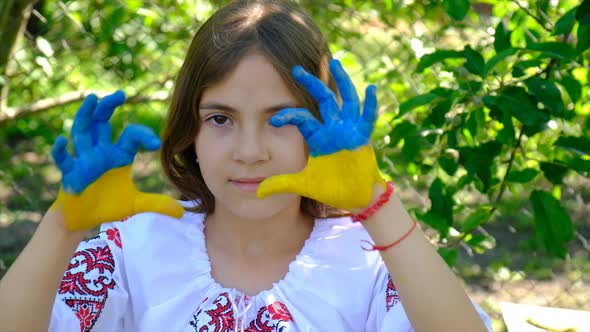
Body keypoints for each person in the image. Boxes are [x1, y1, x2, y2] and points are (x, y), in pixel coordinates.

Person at [0, 0, 492, 331]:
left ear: (322, 124)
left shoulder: (370, 262)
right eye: (220, 118)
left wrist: (379, 206)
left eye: (282, 119)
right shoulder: (135, 251)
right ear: (189, 129)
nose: (250, 150)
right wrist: (61, 226)